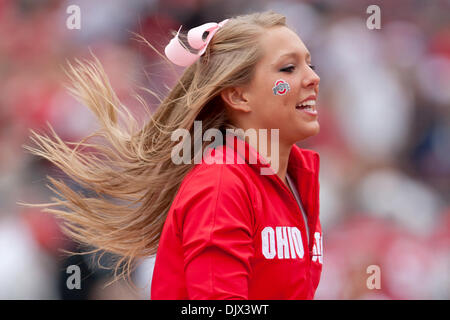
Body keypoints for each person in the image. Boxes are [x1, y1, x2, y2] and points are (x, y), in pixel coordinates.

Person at [23, 10, 322, 300]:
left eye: (309, 64)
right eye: (288, 68)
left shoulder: (298, 181)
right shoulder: (222, 185)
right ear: (238, 96)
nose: (312, 78)